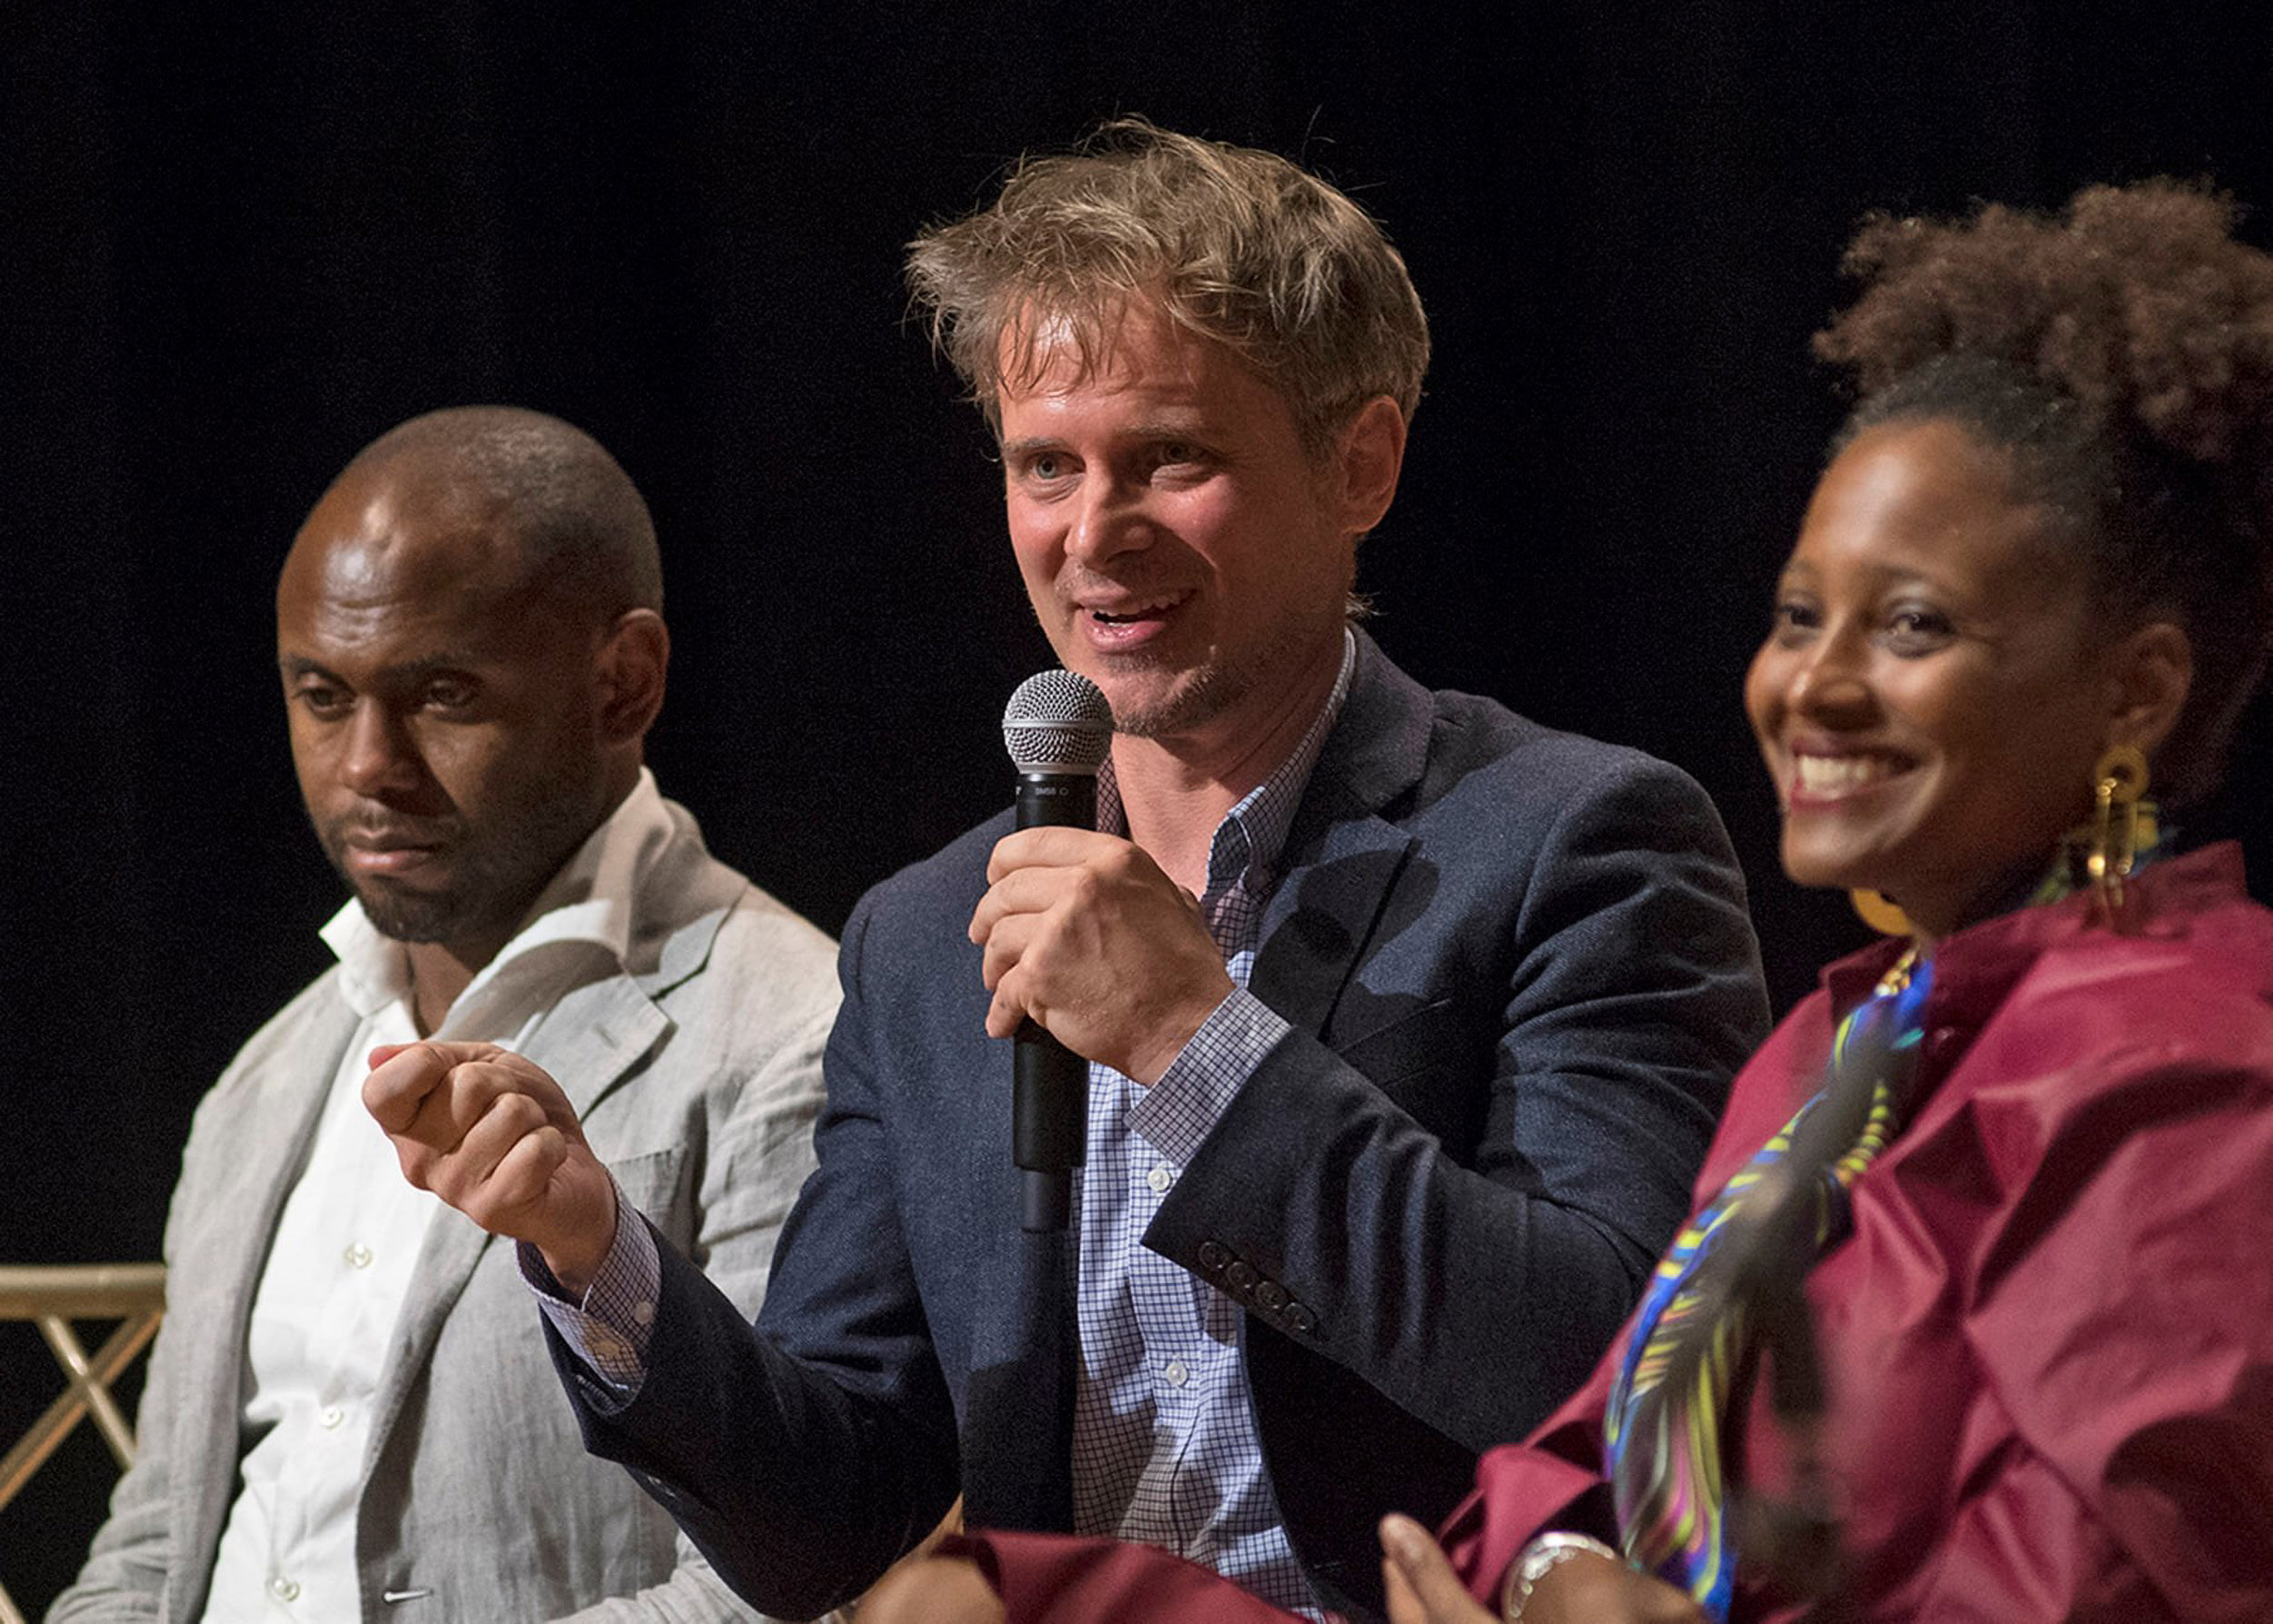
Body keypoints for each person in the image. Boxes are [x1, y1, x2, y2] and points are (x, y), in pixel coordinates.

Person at [365, 122, 1769, 1624]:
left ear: (1360, 462)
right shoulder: (925, 932)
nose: (1094, 534)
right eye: (1047, 465)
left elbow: (1612, 1371)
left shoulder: (1581, 840)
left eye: (1172, 457)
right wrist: (596, 1246)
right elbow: (836, 1523)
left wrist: (1195, 1043)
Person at [899, 179, 2273, 1624]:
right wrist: (1557, 1570)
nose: (1815, 685)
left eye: (1912, 623)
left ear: (2137, 692)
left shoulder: (2189, 1066)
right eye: (1800, 615)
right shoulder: (1842, 1047)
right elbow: (1591, 1449)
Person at [48, 407, 841, 1624]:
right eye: (322, 693)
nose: (368, 761)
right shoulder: (272, 1071)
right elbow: (158, 1544)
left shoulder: (791, 1028)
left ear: (622, 680)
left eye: (440, 694)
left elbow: (791, 1584)